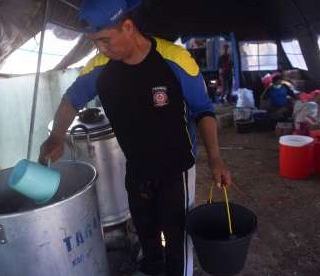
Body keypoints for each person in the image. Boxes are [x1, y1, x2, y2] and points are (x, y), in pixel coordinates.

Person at [39, 0, 232, 275]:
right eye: (95, 43)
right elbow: (71, 100)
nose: (100, 49)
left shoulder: (174, 59)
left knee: (177, 237)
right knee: (146, 233)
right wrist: (57, 137)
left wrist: (216, 159)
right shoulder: (99, 67)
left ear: (128, 27)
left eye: (105, 40)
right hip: (137, 168)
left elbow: (204, 111)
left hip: (176, 171)